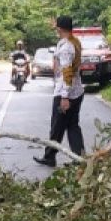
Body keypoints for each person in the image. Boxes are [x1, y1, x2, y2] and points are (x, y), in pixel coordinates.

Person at [33, 16, 85, 167]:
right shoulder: (74, 42)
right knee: (72, 126)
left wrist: (64, 97)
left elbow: (67, 72)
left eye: (56, 27)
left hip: (66, 93)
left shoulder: (67, 47)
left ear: (60, 29)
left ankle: (50, 156)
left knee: (57, 126)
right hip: (77, 91)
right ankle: (79, 159)